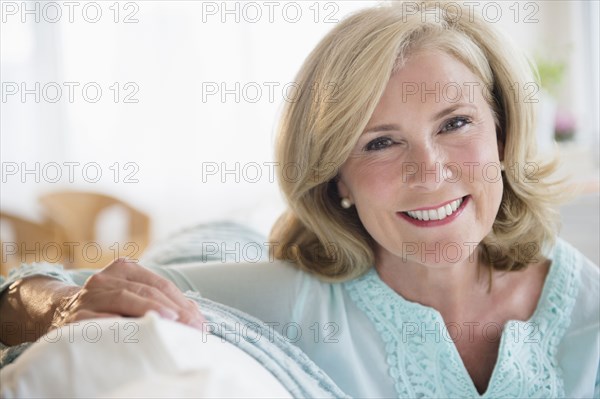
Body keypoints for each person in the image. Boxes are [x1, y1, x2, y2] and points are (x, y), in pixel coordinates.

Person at [1, 1, 598, 397]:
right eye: (381, 142)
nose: (430, 170)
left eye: (455, 123)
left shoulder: (589, 314)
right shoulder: (286, 301)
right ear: (336, 178)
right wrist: (57, 306)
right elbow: (15, 297)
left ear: (503, 130)